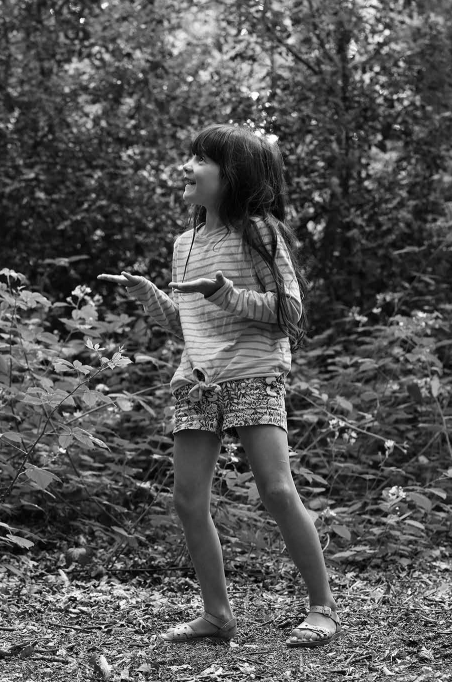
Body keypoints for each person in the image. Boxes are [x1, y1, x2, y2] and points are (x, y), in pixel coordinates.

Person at [99, 124, 341, 648]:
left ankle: (321, 607)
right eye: (190, 155)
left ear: (232, 176)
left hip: (253, 371)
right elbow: (188, 323)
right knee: (188, 500)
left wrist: (226, 293)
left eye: (201, 159)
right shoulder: (184, 244)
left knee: (277, 490)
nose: (188, 166)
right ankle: (217, 615)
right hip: (196, 380)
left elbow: (289, 315)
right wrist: (149, 296)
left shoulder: (262, 234)